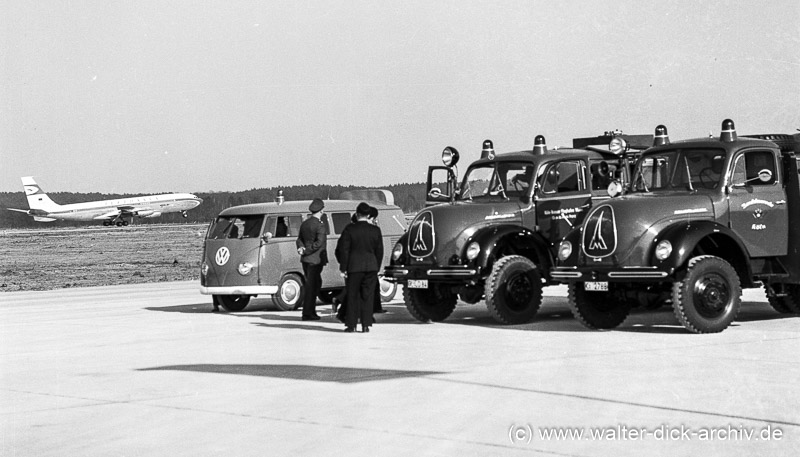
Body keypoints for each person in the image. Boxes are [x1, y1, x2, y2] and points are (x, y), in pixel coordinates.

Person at [335, 202, 383, 332]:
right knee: (367, 296)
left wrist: (343, 268)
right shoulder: (375, 230)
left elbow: (344, 250)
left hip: (354, 267)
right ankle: (366, 324)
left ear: (357, 214)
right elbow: (379, 251)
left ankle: (351, 325)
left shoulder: (349, 229)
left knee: (352, 296)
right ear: (368, 215)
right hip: (371, 267)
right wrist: (376, 267)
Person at [295, 198, 327, 321]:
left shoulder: (305, 224)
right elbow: (319, 243)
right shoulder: (320, 225)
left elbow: (299, 239)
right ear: (321, 211)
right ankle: (308, 313)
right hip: (315, 260)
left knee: (313, 284)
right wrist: (307, 250)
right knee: (312, 286)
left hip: (306, 260)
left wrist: (301, 249)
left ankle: (310, 311)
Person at [367, 206, 386, 314]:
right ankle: (375, 307)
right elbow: (379, 250)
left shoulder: (353, 228)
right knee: (374, 287)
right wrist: (378, 266)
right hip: (372, 263)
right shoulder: (375, 230)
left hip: (357, 265)